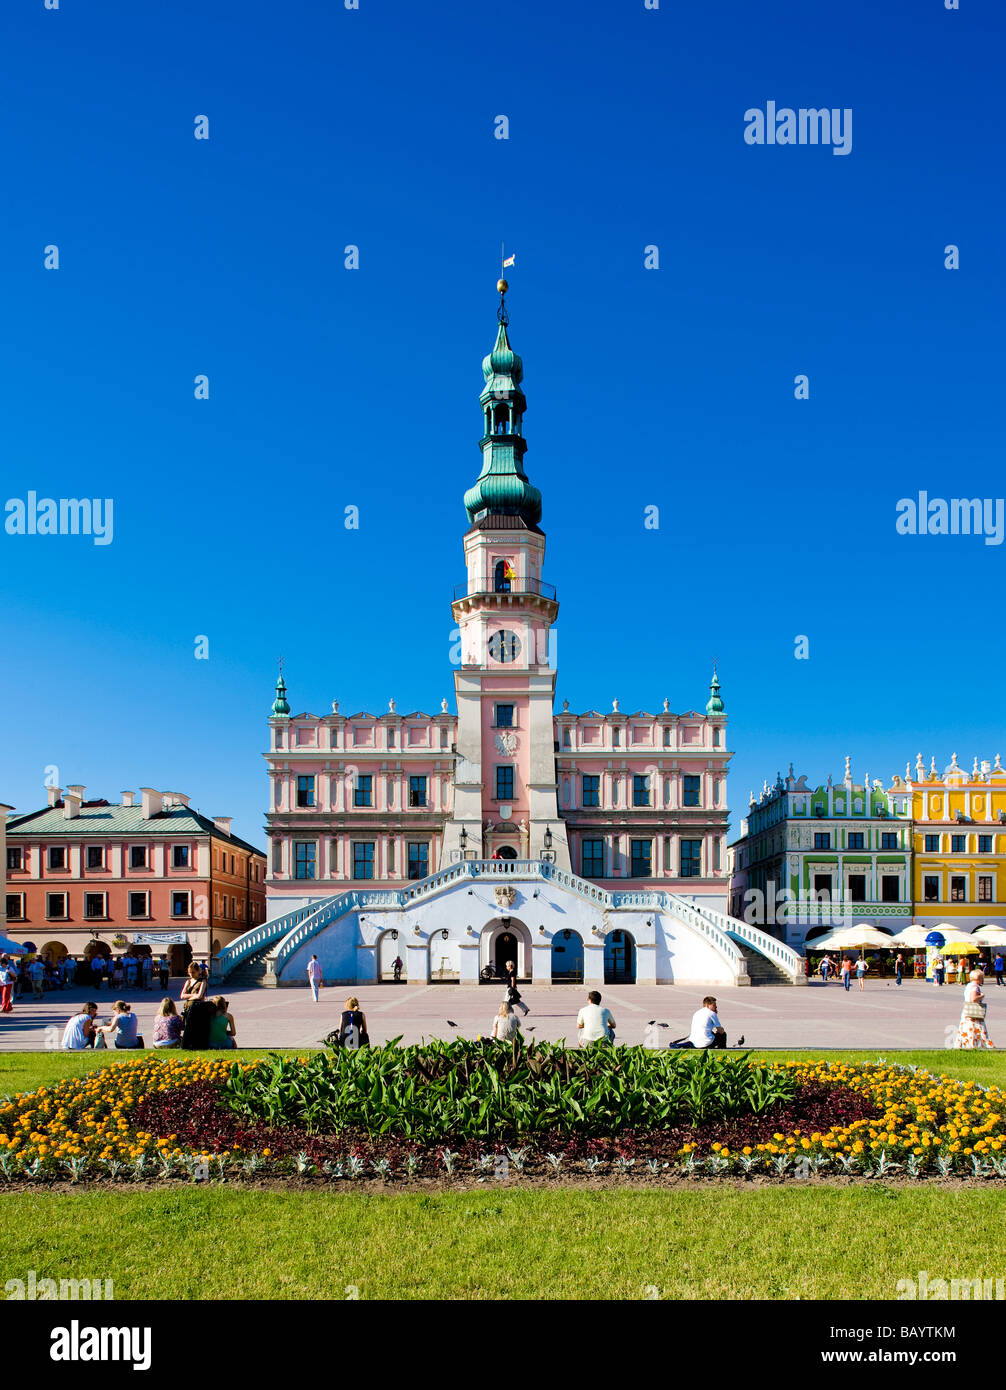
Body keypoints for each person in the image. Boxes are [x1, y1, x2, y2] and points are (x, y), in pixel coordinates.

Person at [953, 969, 995, 1050]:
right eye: (982, 978)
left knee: (967, 1029)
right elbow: (974, 999)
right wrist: (982, 996)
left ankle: (967, 1044)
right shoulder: (975, 987)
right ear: (979, 978)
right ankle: (984, 1045)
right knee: (978, 1029)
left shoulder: (968, 985)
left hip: (967, 1011)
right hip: (974, 1011)